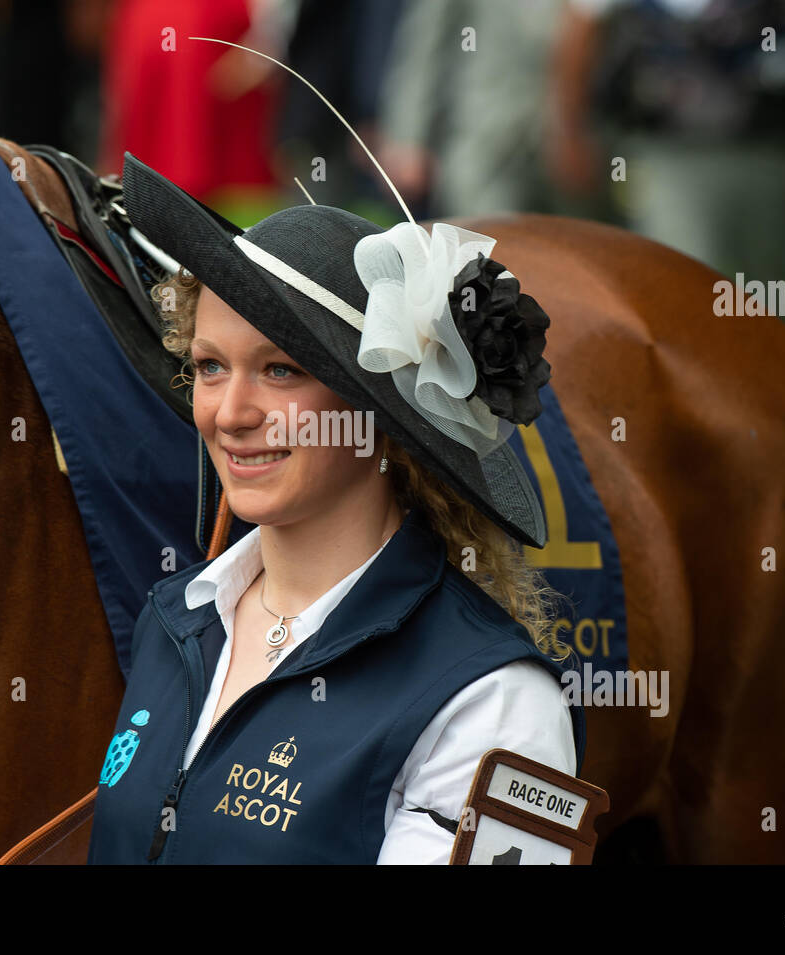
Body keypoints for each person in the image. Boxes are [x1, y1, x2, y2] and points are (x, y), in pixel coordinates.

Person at [85, 149, 587, 865]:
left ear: (379, 414)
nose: (229, 413)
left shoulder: (494, 702)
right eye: (209, 367)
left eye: (280, 370)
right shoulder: (177, 618)